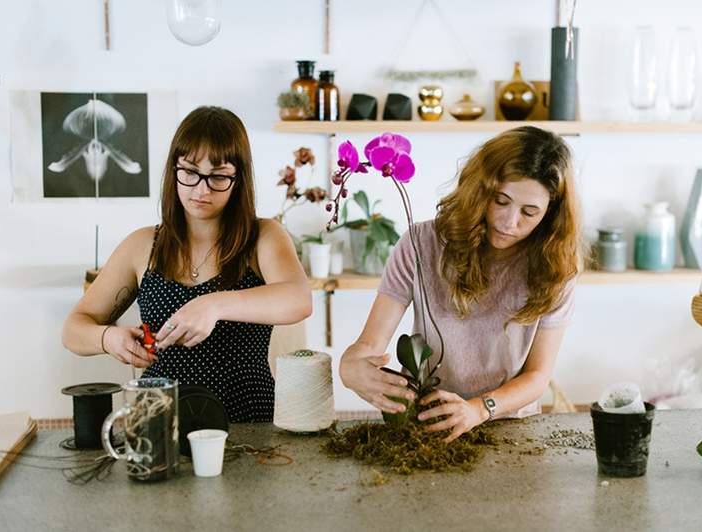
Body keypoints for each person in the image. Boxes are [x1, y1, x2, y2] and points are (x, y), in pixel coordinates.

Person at [62, 106, 312, 422]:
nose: (201, 189)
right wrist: (108, 338)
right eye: (190, 172)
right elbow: (73, 329)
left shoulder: (263, 237)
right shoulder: (142, 246)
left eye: (218, 176)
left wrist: (214, 305)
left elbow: (299, 299)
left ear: (239, 179)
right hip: (160, 424)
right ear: (174, 170)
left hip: (250, 425)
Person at [339, 126, 581, 442]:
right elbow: (369, 345)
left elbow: (537, 375)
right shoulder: (420, 244)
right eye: (501, 201)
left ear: (550, 215)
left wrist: (479, 409)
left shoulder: (555, 268)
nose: (510, 222)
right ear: (479, 189)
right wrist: (349, 368)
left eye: (529, 212)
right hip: (428, 422)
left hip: (508, 429)